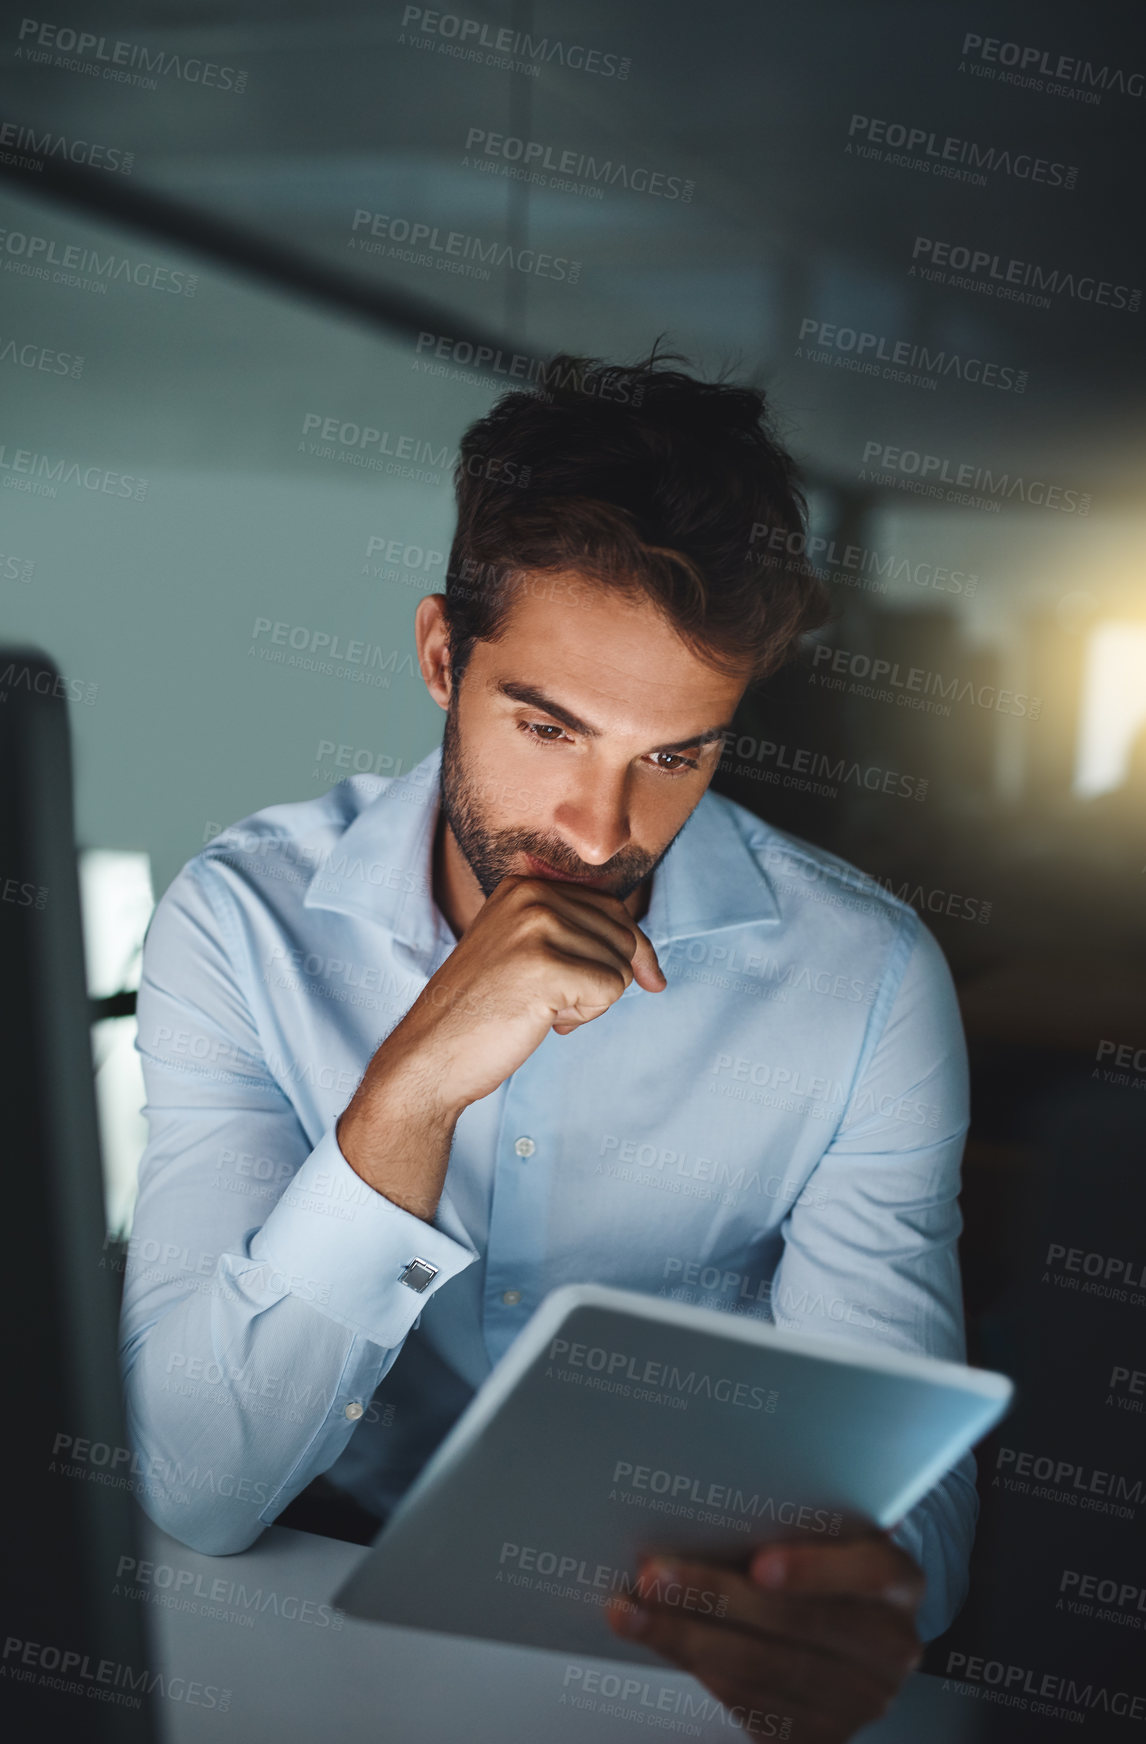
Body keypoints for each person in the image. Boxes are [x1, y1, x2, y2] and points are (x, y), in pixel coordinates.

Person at [121, 351, 975, 1741]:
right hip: (315, 1637)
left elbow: (910, 1535)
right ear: (441, 658)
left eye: (675, 757)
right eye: (547, 728)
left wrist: (848, 1593)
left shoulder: (862, 983)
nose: (598, 829)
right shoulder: (240, 925)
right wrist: (411, 1093)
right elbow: (200, 1487)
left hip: (667, 1668)